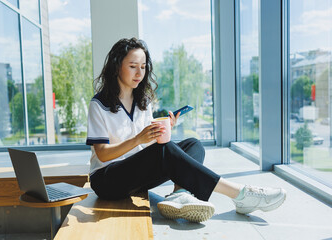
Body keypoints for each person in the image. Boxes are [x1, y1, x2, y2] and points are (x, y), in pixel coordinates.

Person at [86, 37, 286, 222]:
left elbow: (147, 147)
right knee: (163, 150)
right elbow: (102, 154)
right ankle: (240, 193)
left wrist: (160, 131)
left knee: (193, 144)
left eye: (143, 67)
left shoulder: (143, 101)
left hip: (137, 176)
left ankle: (179, 193)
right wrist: (138, 139)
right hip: (107, 181)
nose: (139, 73)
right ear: (116, 67)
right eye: (132, 66)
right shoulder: (99, 104)